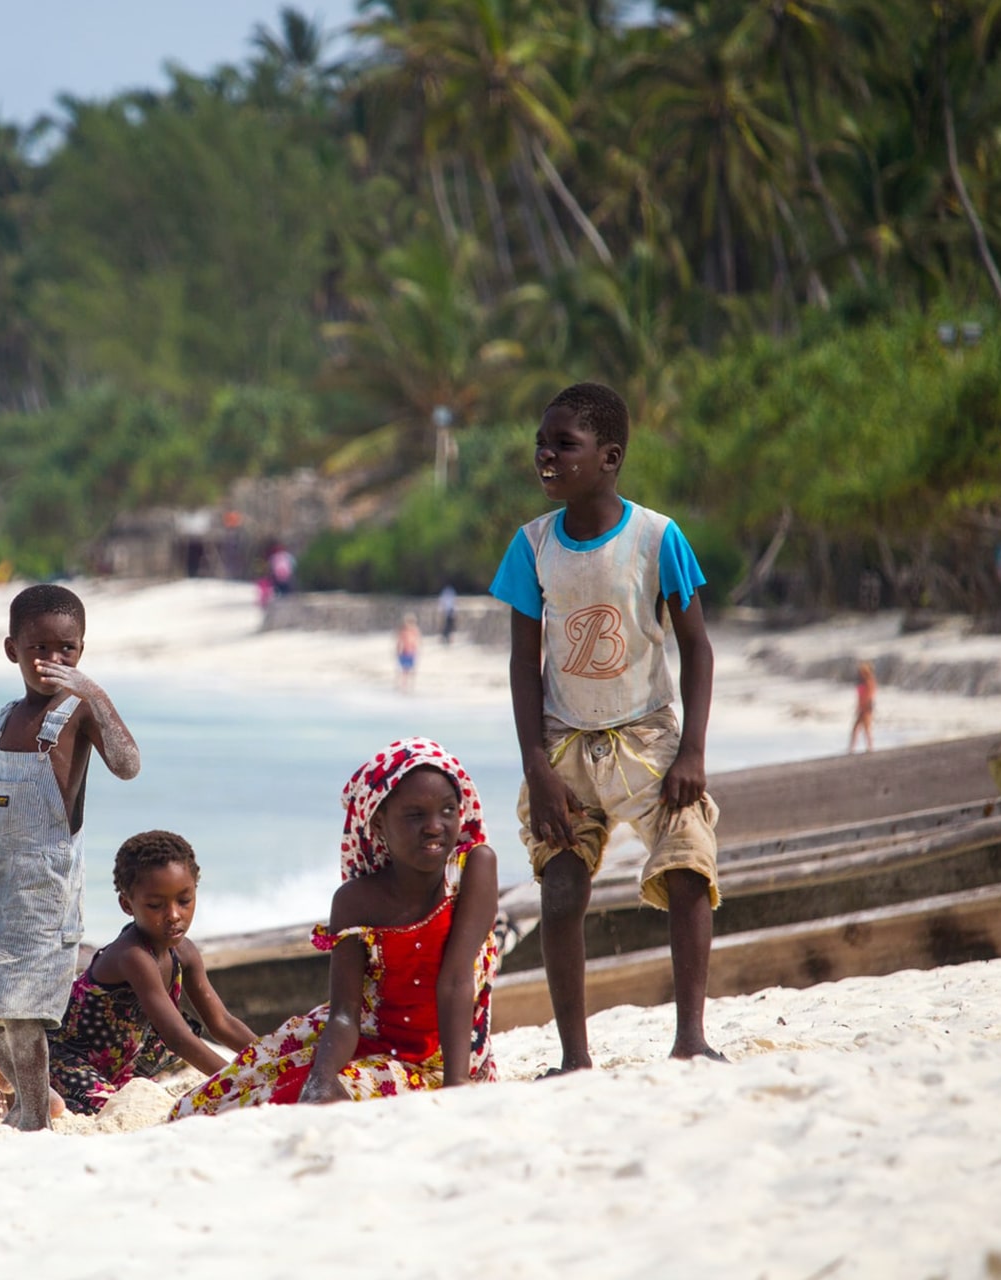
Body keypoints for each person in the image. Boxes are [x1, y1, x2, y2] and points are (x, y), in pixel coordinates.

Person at [488, 381, 724, 1072]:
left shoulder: (657, 537)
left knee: (687, 870)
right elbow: (522, 662)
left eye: (565, 444)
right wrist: (536, 762)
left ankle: (691, 1037)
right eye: (542, 443)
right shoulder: (530, 548)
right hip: (564, 746)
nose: (546, 456)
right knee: (561, 891)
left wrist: (693, 751)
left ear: (610, 456)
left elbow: (697, 648)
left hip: (650, 739)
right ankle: (574, 1056)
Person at [172, 739, 500, 1119]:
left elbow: (457, 979)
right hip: (363, 1036)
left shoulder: (470, 870)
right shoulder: (355, 901)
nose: (434, 826)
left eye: (447, 810)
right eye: (414, 815)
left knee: (311, 1102)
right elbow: (346, 1014)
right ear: (378, 821)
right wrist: (322, 1078)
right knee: (207, 1104)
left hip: (444, 1056)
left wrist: (456, 1091)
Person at [0, 583, 142, 1132]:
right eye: (38, 650)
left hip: (42, 881)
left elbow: (128, 765)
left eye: (67, 650)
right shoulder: (8, 717)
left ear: (82, 651)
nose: (53, 661)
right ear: (12, 651)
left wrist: (94, 692)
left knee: (22, 1011)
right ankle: (40, 1095)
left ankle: (34, 1119)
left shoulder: (77, 712)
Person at [48, 831, 255, 1115]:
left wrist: (272, 1058)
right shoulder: (133, 956)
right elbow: (178, 1039)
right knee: (118, 1108)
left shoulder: (185, 952)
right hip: (70, 1061)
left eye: (184, 900)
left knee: (186, 1036)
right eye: (156, 906)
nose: (173, 915)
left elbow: (222, 1023)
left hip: (123, 1060)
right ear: (127, 905)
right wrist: (242, 1084)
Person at [849, 660, 878, 753]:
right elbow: (860, 697)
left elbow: (870, 696)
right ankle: (856, 748)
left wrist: (865, 707)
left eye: (861, 671)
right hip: (862, 708)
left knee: (863, 729)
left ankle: (866, 747)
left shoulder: (869, 682)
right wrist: (858, 707)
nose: (860, 673)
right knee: (859, 729)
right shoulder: (862, 682)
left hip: (866, 708)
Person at [395, 613, 421, 691]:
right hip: (404, 652)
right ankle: (403, 684)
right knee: (404, 670)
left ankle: (411, 685)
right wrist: (398, 651)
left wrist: (418, 649)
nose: (410, 624)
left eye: (412, 622)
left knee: (412, 670)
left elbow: (418, 641)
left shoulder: (415, 631)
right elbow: (399, 642)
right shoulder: (403, 631)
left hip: (412, 652)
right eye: (408, 622)